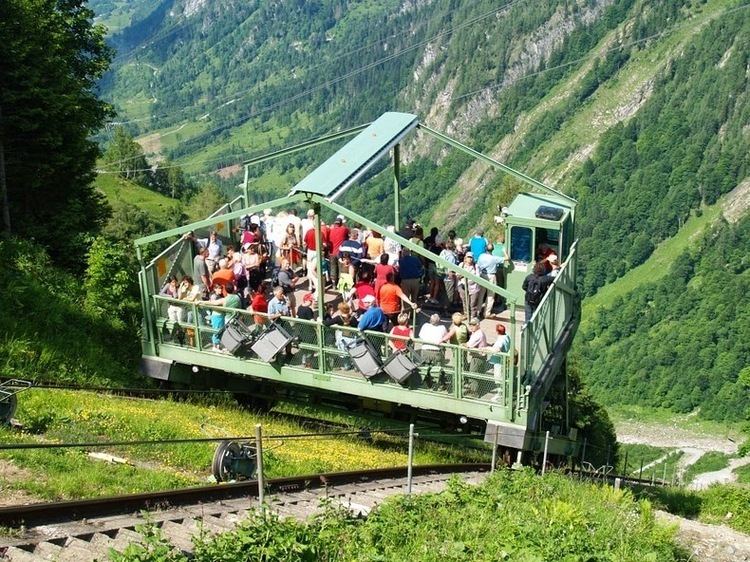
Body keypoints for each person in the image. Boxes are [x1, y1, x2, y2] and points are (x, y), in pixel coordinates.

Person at [205, 282, 242, 350]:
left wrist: (201, 302)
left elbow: (213, 303)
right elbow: (212, 303)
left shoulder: (224, 299)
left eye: (221, 288)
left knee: (225, 333)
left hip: (226, 318)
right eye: (219, 288)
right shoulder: (237, 297)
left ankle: (225, 347)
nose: (220, 290)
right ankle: (217, 347)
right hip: (228, 317)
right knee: (220, 331)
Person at [476, 243, 504, 318]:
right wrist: (504, 251)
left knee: (481, 294)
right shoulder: (494, 258)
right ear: (493, 249)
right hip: (491, 276)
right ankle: (487, 313)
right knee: (490, 295)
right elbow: (507, 258)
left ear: (486, 249)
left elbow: (478, 265)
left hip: (482, 275)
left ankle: (477, 312)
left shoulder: (481, 256)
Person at [328, 216, 349, 287]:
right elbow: (348, 234)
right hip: (340, 253)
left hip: (332, 252)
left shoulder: (330, 230)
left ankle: (334, 284)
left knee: (333, 268)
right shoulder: (344, 229)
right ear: (341, 223)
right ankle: (340, 284)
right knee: (341, 269)